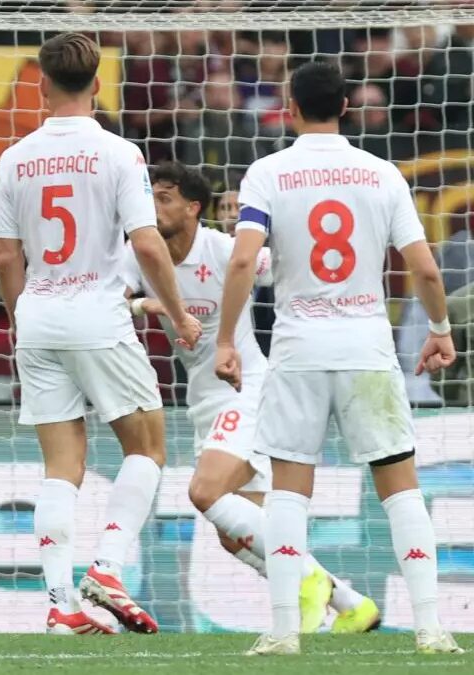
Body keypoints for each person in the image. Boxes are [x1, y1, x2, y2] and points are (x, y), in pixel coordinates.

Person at [214, 61, 462, 656]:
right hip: (366, 348)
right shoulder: (382, 173)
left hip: (298, 349)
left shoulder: (267, 172)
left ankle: (284, 631)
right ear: (347, 107)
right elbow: (425, 268)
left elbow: (244, 260)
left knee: (288, 493)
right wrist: (440, 329)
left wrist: (225, 340)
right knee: (400, 489)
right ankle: (431, 627)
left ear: (291, 108)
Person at [0, 32, 201, 636]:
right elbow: (147, 243)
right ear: (98, 84)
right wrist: (179, 313)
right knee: (148, 448)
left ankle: (61, 605)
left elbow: (5, 256)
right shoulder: (119, 153)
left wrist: (21, 319)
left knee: (61, 466)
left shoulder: (14, 157)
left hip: (38, 318)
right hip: (98, 317)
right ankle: (107, 567)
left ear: (42, 85)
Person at [123, 161, 379, 635]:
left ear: (193, 207)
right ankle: (350, 603)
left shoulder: (222, 250)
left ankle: (306, 582)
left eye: (164, 198)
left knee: (205, 492)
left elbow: (281, 267)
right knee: (236, 534)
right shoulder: (140, 252)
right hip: (203, 400)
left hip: (246, 390)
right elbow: (108, 299)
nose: (153, 207)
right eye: (150, 197)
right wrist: (147, 304)